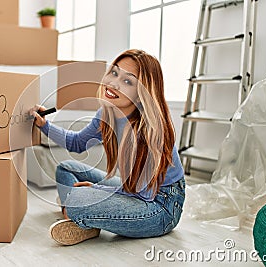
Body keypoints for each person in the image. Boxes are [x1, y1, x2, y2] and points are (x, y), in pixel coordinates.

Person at [31, 49, 185, 246]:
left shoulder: (150, 129)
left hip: (159, 205)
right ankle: (83, 217)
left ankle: (78, 214)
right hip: (132, 188)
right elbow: (77, 143)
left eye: (127, 81)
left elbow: (143, 193)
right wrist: (44, 125)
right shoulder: (106, 114)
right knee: (66, 168)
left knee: (78, 199)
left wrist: (96, 189)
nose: (113, 83)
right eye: (114, 72)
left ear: (141, 94)